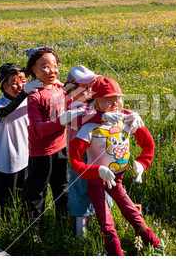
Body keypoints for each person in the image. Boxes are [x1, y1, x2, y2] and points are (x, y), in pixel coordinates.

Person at [23, 48, 124, 229]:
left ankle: (64, 223)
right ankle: (34, 230)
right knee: (37, 192)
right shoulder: (34, 97)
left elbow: (84, 112)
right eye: (45, 67)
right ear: (33, 71)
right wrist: (24, 91)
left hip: (61, 147)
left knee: (62, 188)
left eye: (54, 66)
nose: (52, 71)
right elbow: (37, 130)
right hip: (40, 152)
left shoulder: (61, 89)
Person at [69, 77, 159, 256]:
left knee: (131, 210)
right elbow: (75, 157)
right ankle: (116, 255)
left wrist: (141, 164)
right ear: (96, 104)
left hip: (117, 178)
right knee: (106, 222)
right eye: (108, 100)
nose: (115, 104)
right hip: (97, 180)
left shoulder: (126, 121)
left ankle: (155, 245)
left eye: (118, 98)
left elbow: (148, 144)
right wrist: (96, 171)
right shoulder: (90, 127)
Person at [61, 66, 143, 237]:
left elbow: (113, 109)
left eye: (91, 85)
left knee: (106, 187)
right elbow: (80, 118)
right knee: (82, 192)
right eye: (84, 86)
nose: (89, 90)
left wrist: (131, 114)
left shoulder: (93, 101)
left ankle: (102, 224)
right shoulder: (72, 105)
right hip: (83, 157)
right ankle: (81, 234)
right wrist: (102, 117)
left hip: (102, 152)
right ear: (71, 88)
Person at [0, 63, 43, 217]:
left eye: (23, 81)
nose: (19, 86)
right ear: (3, 87)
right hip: (7, 159)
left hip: (26, 156)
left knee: (23, 193)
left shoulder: (29, 101)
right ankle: (0, 221)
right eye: (13, 83)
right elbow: (6, 112)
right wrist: (24, 94)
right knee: (4, 195)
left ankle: (19, 220)